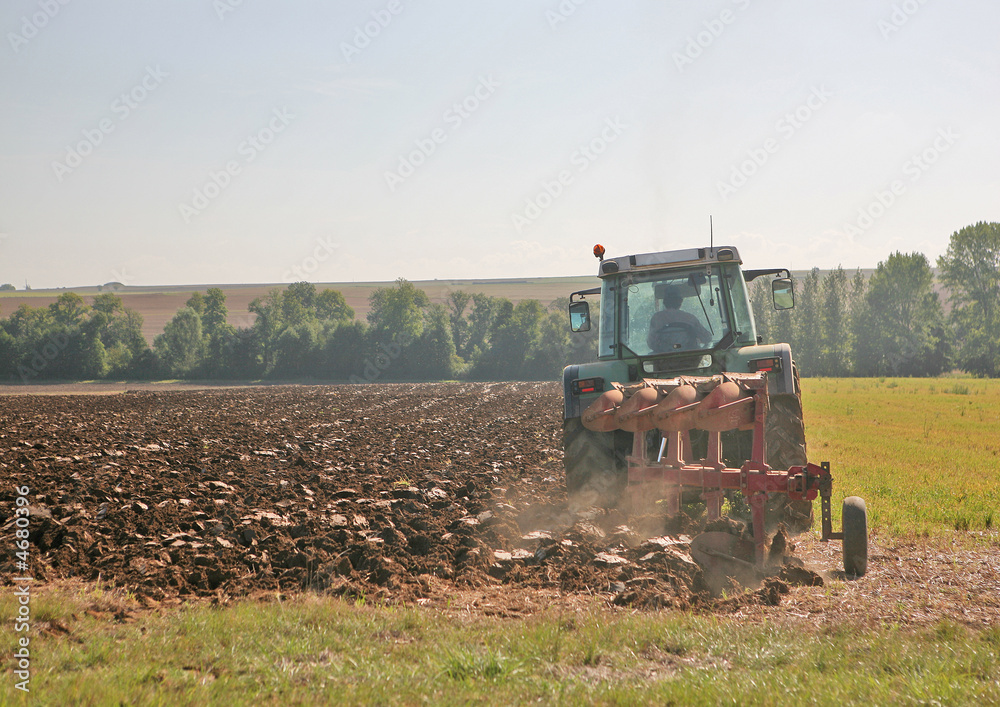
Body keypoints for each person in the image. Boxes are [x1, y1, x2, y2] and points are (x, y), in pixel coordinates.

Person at [647, 285, 711, 352]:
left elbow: (651, 343)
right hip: (690, 357)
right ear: (680, 301)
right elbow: (707, 338)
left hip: (664, 357)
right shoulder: (690, 318)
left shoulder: (657, 318)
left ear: (664, 302)